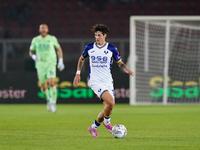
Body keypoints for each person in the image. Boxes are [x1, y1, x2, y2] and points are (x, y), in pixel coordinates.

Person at [73, 24, 134, 137]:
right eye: (95, 35)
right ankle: (107, 123)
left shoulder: (111, 48)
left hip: (108, 81)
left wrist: (127, 70)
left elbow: (119, 62)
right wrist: (78, 73)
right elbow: (81, 60)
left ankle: (93, 127)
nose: (97, 37)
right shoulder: (89, 47)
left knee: (109, 107)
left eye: (99, 35)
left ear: (105, 35)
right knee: (111, 102)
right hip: (95, 81)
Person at [29, 24, 65, 113]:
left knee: (52, 83)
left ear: (48, 30)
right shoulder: (35, 40)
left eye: (45, 28)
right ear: (39, 30)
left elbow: (59, 49)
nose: (44, 30)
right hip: (40, 65)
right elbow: (31, 51)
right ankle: (48, 100)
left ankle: (53, 103)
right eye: (42, 28)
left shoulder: (52, 38)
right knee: (43, 87)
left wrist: (60, 61)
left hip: (51, 63)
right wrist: (33, 56)